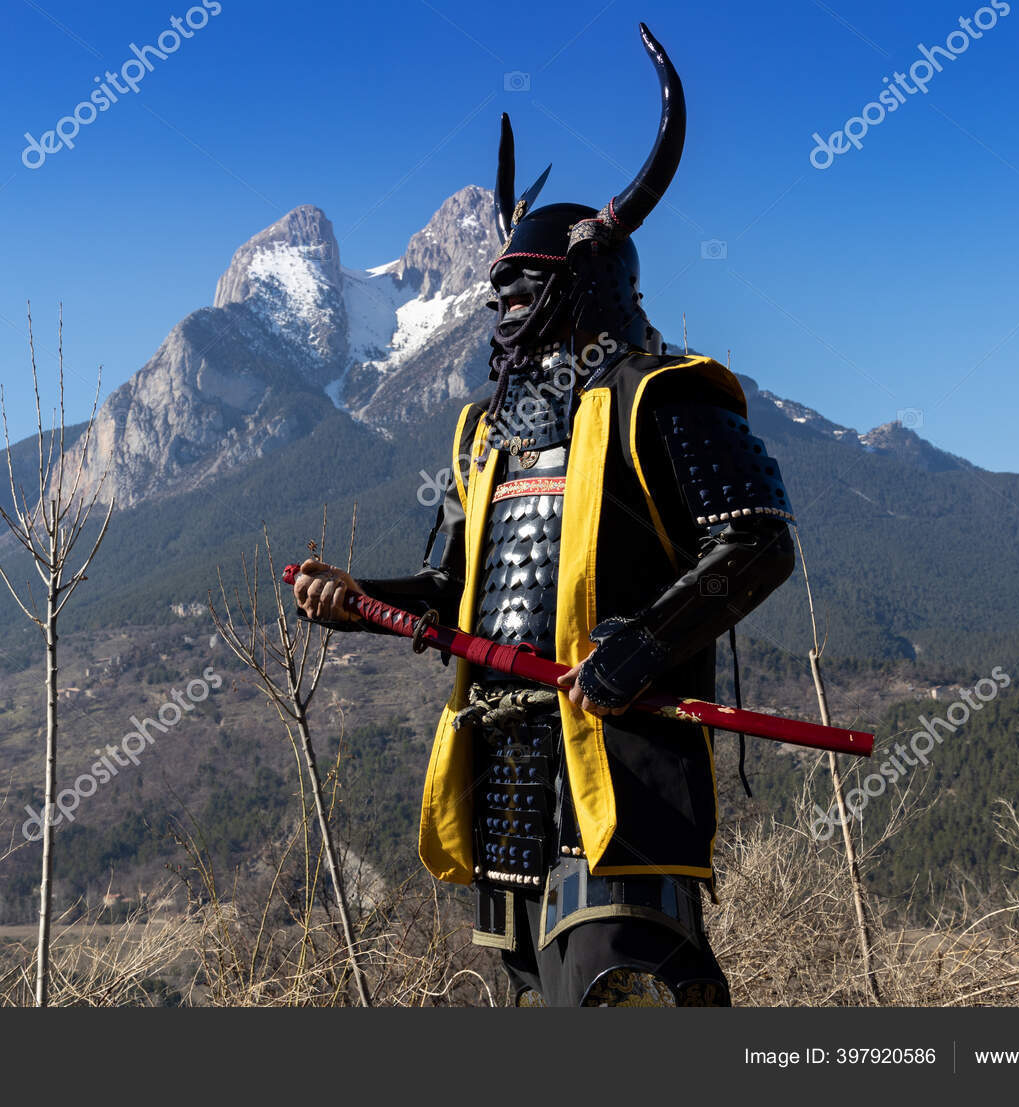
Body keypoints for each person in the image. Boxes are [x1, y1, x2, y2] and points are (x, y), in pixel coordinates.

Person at [293, 24, 795, 1006]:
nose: (501, 309)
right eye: (496, 293)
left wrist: (643, 644)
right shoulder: (486, 437)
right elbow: (458, 595)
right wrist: (361, 601)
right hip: (509, 783)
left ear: (584, 282)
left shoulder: (665, 397)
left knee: (625, 987)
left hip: (622, 769)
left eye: (520, 288)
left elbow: (756, 538)